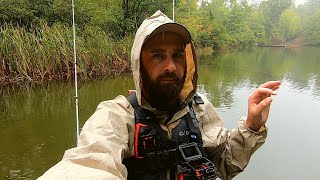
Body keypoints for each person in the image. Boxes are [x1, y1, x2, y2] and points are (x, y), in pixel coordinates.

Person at [38, 11, 281, 180]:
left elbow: (225, 164)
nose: (170, 67)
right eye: (158, 55)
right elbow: (89, 164)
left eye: (177, 55)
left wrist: (251, 126)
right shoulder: (115, 116)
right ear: (139, 65)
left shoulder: (199, 108)